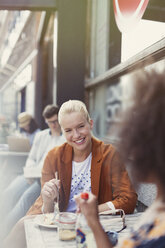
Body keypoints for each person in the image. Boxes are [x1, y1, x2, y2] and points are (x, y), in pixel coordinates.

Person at [2, 100, 137, 248]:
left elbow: (128, 199)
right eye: (68, 130)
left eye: (80, 126)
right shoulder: (53, 156)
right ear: (62, 131)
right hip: (60, 224)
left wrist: (91, 212)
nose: (76, 135)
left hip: (92, 223)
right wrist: (47, 200)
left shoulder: (108, 154)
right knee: (22, 223)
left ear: (90, 124)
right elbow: (46, 212)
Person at [75, 68, 165, 248]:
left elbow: (127, 198)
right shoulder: (158, 207)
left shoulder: (158, 235)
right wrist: (93, 220)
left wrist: (96, 213)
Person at [0, 105, 65, 241]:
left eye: (55, 121)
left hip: (46, 178)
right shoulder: (41, 136)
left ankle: (5, 233)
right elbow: (31, 158)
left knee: (24, 199)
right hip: (31, 174)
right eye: (49, 122)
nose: (53, 125)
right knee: (8, 192)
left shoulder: (66, 138)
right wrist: (29, 172)